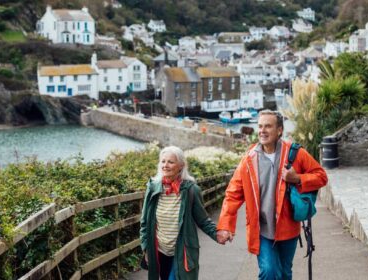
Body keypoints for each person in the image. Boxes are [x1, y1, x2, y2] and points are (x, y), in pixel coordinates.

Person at [217, 110, 328, 280]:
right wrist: (225, 225)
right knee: (268, 271)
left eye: (268, 126)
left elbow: (321, 176)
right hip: (261, 229)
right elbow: (233, 194)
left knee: (284, 272)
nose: (262, 130)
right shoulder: (249, 159)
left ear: (279, 130)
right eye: (260, 126)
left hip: (288, 227)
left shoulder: (295, 153)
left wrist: (297, 178)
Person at [140, 146, 218, 280]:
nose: (165, 165)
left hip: (182, 251)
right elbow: (145, 222)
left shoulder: (191, 190)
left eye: (170, 162)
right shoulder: (152, 188)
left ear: (181, 166)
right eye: (163, 161)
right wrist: (146, 248)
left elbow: (203, 220)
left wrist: (218, 234)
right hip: (159, 251)